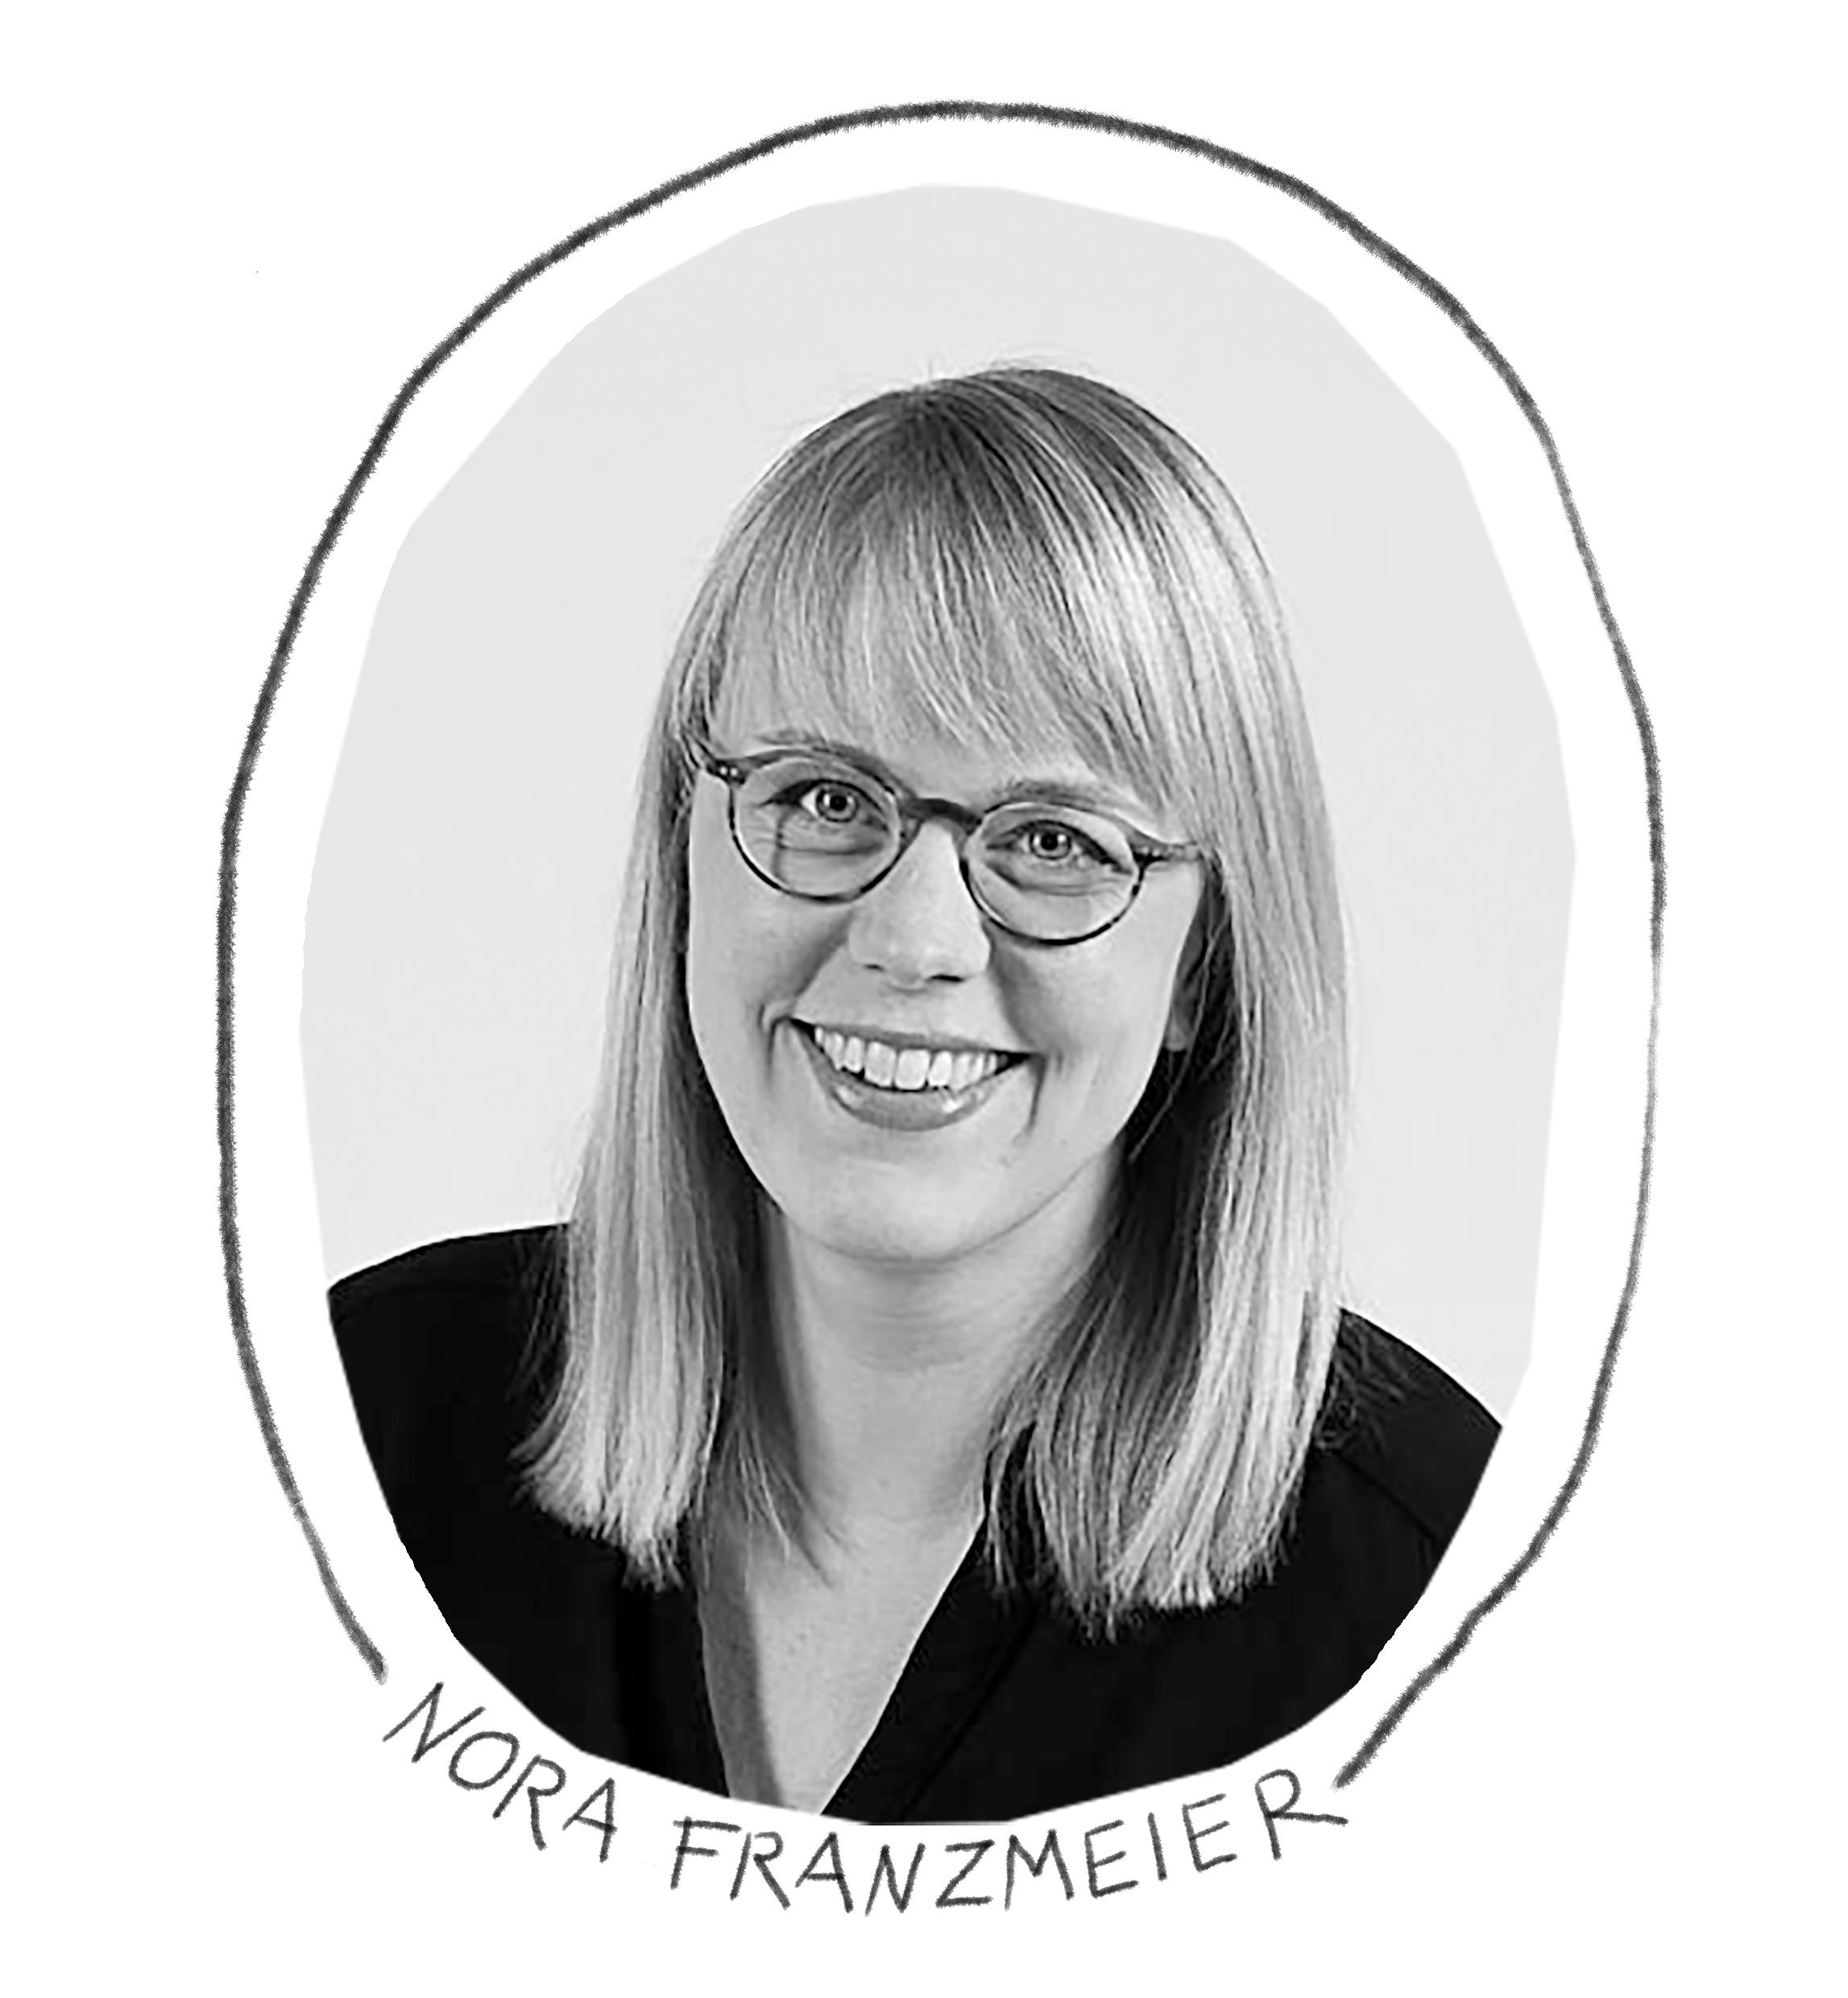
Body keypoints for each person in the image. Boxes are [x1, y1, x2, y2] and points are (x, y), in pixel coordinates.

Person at [332, 366, 1498, 1823]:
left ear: (1204, 964)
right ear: (684, 862)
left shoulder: (1446, 1603)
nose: (913, 941)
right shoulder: (354, 1434)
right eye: (824, 800)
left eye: (1057, 841)